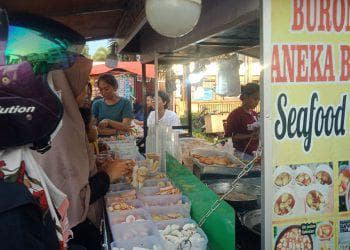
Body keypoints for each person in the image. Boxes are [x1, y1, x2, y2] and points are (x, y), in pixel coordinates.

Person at [34, 57, 134, 250]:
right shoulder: (62, 130)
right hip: (73, 230)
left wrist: (96, 165)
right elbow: (73, 200)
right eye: (83, 85)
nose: (88, 93)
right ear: (66, 86)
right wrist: (107, 175)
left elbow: (74, 172)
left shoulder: (62, 121)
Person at [225, 83, 260, 157]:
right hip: (241, 154)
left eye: (259, 100)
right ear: (245, 97)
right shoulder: (235, 115)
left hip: (254, 153)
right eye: (255, 99)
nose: (257, 102)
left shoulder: (254, 114)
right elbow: (230, 137)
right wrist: (250, 136)